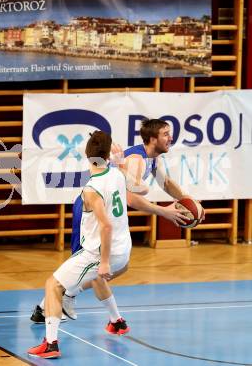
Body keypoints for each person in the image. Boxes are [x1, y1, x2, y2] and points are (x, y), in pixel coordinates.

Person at [31, 119, 202, 323]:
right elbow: (129, 197)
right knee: (86, 265)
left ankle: (47, 306)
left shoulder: (152, 158)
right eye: (166, 134)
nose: (170, 137)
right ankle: (62, 301)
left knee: (119, 267)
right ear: (152, 139)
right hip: (92, 209)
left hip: (107, 210)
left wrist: (189, 200)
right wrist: (163, 211)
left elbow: (165, 182)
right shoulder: (137, 160)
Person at [28, 131, 132, 359]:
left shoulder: (91, 189)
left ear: (86, 155)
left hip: (100, 253)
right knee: (93, 279)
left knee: (53, 285)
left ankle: (51, 344)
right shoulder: (118, 175)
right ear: (107, 155)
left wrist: (104, 262)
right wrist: (121, 161)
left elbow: (106, 226)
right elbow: (126, 179)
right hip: (124, 249)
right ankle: (117, 322)